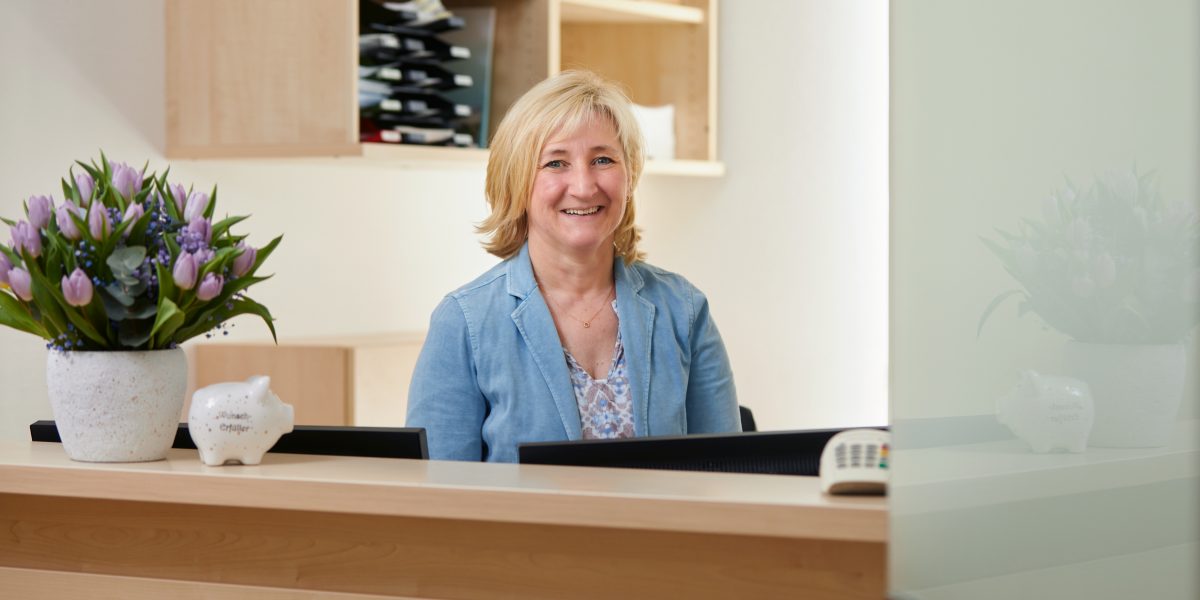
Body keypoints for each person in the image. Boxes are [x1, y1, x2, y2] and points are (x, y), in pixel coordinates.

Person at [406, 70, 739, 462]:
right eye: (556, 163)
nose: (583, 186)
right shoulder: (465, 322)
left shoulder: (683, 310)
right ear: (516, 181)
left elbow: (725, 478)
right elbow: (436, 501)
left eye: (603, 159)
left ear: (629, 175)